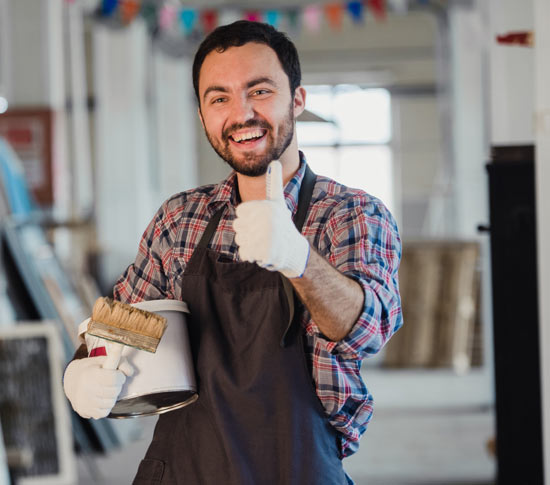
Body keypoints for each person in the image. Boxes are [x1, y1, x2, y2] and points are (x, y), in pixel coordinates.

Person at [63, 20, 402, 484]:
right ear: (203, 115)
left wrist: (298, 259)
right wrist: (83, 372)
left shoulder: (351, 214)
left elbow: (368, 329)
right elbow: (118, 329)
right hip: (185, 470)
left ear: (297, 100)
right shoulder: (182, 219)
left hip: (298, 469)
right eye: (219, 98)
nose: (241, 114)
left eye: (259, 91)